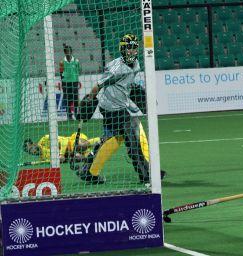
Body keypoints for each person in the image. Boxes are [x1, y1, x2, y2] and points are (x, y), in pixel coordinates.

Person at [77, 33, 165, 185]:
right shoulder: (115, 69)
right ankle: (146, 175)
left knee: (112, 140)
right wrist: (88, 102)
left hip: (119, 106)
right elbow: (98, 86)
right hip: (112, 109)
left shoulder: (136, 64)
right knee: (133, 138)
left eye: (134, 48)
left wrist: (135, 91)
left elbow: (125, 84)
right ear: (122, 49)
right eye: (128, 48)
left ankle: (89, 171)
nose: (132, 51)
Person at [23, 133, 100, 163]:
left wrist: (61, 154)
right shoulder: (43, 157)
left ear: (33, 144)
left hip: (72, 141)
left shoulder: (45, 139)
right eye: (30, 152)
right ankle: (92, 152)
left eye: (31, 149)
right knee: (79, 158)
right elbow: (44, 162)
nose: (32, 152)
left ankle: (101, 140)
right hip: (73, 153)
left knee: (80, 146)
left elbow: (65, 141)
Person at [59, 44, 81, 120]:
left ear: (71, 52)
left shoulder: (76, 61)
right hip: (66, 83)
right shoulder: (62, 62)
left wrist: (75, 78)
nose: (68, 53)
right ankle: (69, 116)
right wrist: (63, 81)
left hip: (74, 82)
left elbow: (78, 71)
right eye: (67, 51)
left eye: (69, 51)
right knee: (67, 99)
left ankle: (76, 113)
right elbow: (61, 73)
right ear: (65, 52)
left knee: (75, 99)